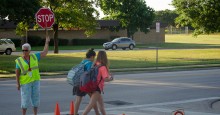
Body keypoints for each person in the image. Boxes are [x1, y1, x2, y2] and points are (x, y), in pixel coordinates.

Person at [15, 36, 50, 115]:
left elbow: (44, 52)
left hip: (35, 81)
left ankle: (35, 114)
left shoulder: (34, 56)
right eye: (23, 50)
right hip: (25, 83)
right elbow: (17, 72)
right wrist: (17, 83)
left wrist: (47, 42)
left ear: (29, 50)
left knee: (36, 99)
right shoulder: (19, 60)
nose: (24, 52)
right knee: (25, 100)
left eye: (26, 50)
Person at [82, 51, 113, 115]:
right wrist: (111, 78)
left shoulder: (95, 63)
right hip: (97, 88)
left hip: (91, 85)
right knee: (90, 105)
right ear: (105, 57)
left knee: (101, 106)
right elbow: (105, 79)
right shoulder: (103, 67)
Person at [73, 48, 100, 115]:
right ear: (92, 56)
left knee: (78, 99)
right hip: (86, 84)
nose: (94, 59)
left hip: (78, 82)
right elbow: (89, 72)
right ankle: (97, 113)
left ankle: (75, 113)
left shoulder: (83, 61)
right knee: (92, 99)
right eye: (94, 57)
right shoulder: (90, 63)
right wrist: (94, 65)